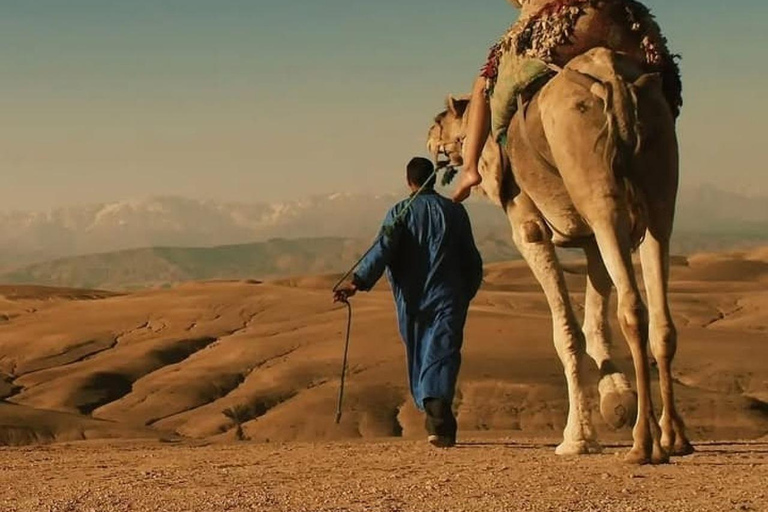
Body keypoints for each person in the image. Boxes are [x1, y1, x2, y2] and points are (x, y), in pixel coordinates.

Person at [333, 157, 483, 447]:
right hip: (449, 296)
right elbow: (472, 258)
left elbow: (382, 249)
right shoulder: (455, 211)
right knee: (444, 351)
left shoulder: (400, 212)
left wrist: (356, 283)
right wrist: (466, 291)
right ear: (433, 179)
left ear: (408, 181)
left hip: (413, 299)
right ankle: (438, 418)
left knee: (425, 351)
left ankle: (438, 420)